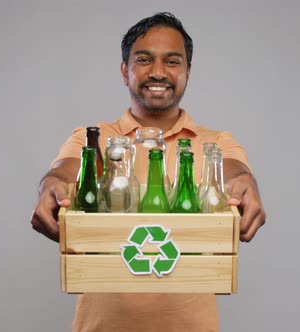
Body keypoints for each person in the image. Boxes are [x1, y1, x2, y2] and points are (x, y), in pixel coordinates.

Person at [31, 12, 266, 331]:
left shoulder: (215, 143)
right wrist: (52, 185)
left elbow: (234, 170)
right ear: (124, 70)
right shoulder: (96, 138)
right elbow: (64, 170)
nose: (158, 72)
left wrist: (244, 183)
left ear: (188, 72)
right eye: (144, 59)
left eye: (172, 61)